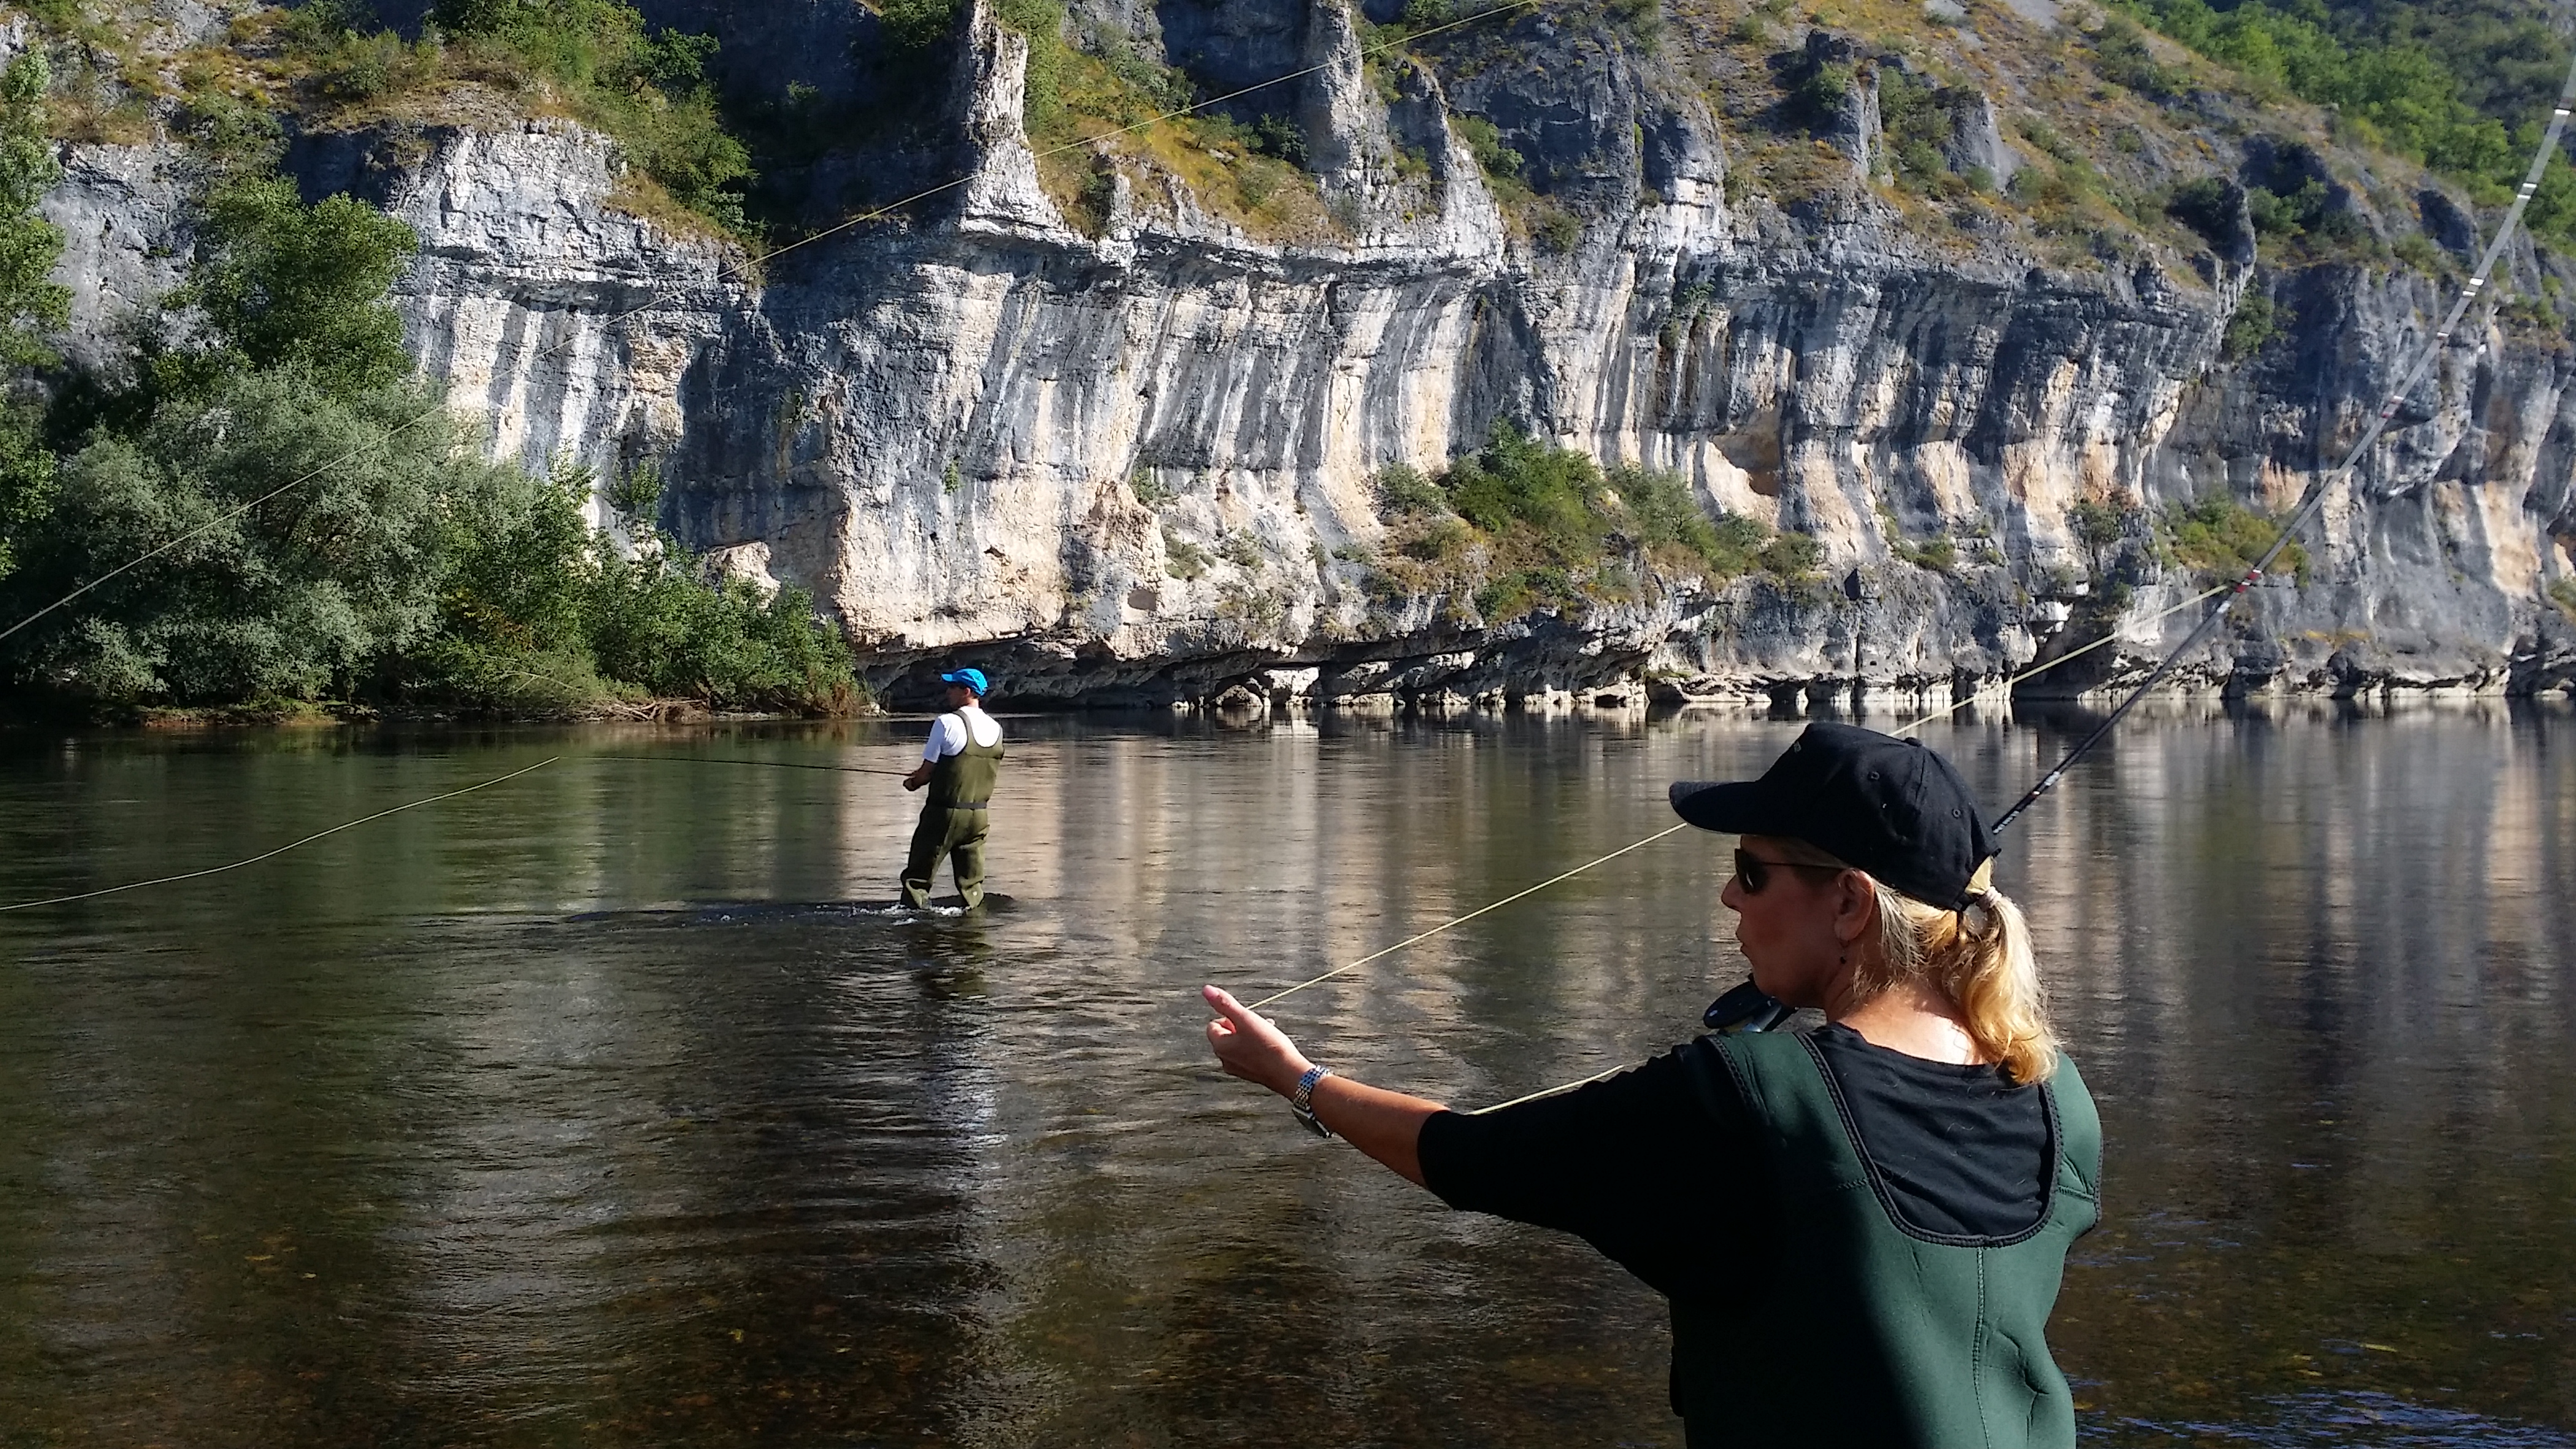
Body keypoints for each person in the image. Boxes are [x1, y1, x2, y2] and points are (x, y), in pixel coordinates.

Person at [1200, 721, 2100, 1448]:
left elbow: (1474, 1159)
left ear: (1851, 903)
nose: (1729, 897)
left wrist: (1297, 1078)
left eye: (1753, 871)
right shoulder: (2062, 1101)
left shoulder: (1741, 1098)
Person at [899, 667, 1004, 909]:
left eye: (953, 687)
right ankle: (974, 928)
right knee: (972, 883)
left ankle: (914, 928)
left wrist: (912, 782)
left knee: (917, 879)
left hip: (944, 813)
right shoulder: (997, 729)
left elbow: (926, 773)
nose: (948, 692)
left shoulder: (946, 723)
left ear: (966, 691)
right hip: (979, 816)